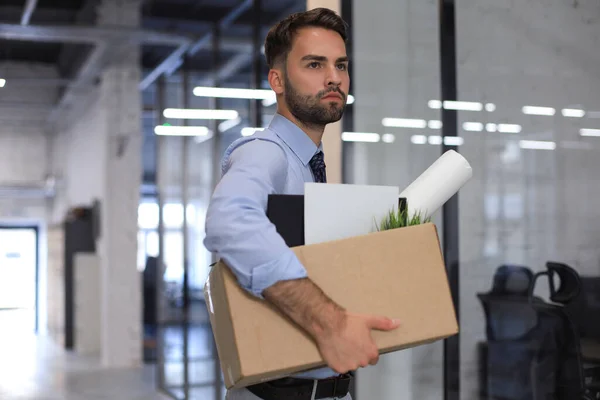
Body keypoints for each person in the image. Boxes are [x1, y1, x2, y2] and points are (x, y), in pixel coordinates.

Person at [204, 7, 400, 400]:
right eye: (314, 64)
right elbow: (228, 220)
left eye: (340, 65)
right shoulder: (266, 153)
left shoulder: (310, 162)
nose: (334, 78)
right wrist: (329, 322)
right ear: (277, 79)